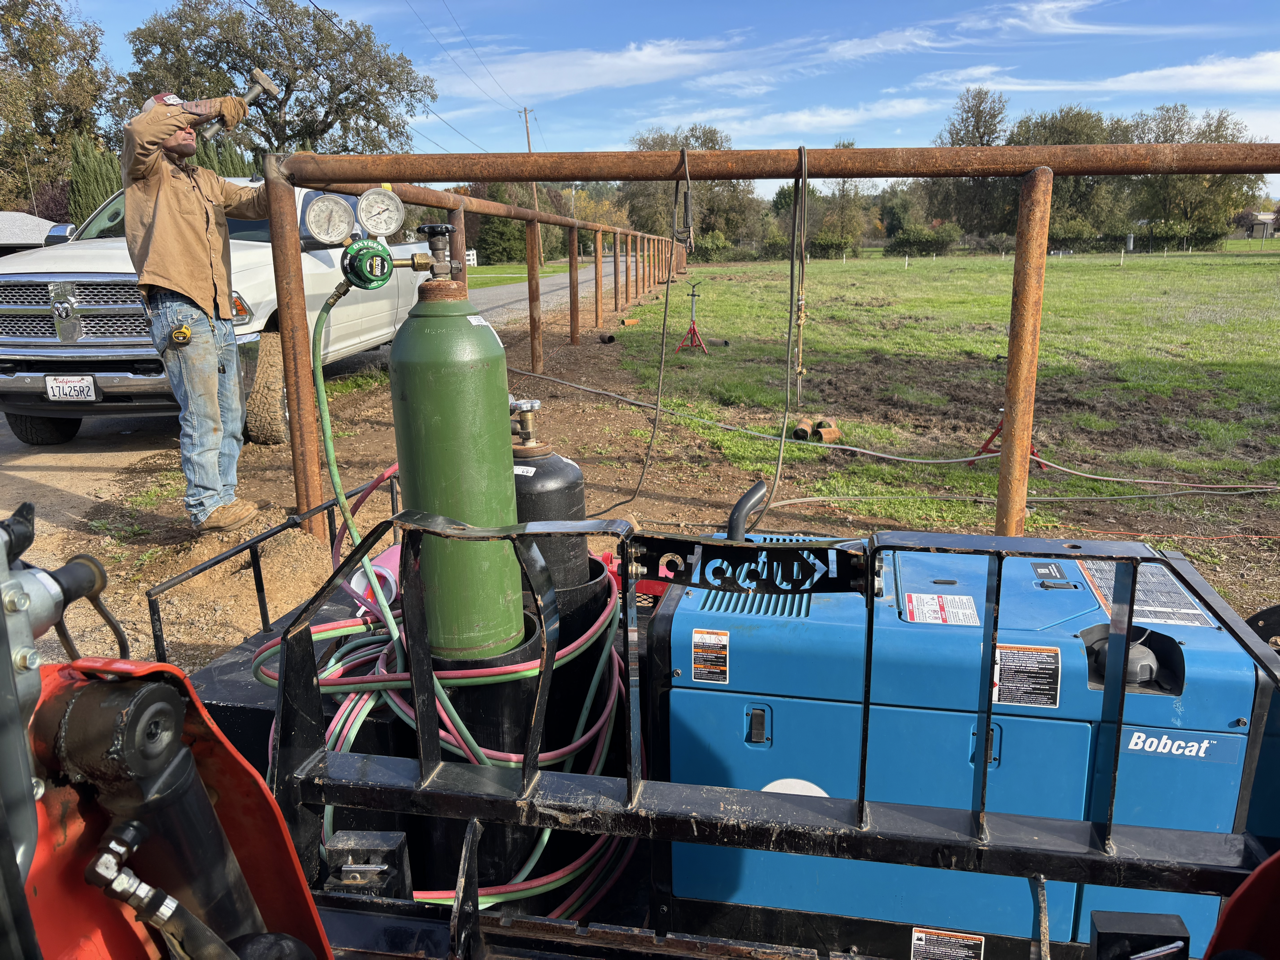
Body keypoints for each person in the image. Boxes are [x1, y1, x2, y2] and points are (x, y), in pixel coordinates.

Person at [122, 93, 266, 534]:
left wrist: (290, 172)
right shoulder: (145, 172)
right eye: (178, 121)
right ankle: (205, 505)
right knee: (203, 412)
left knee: (230, 414)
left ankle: (224, 498)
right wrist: (208, 107)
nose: (188, 128)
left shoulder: (205, 178)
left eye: (191, 124)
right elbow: (139, 131)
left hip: (218, 309)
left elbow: (258, 204)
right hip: (178, 306)